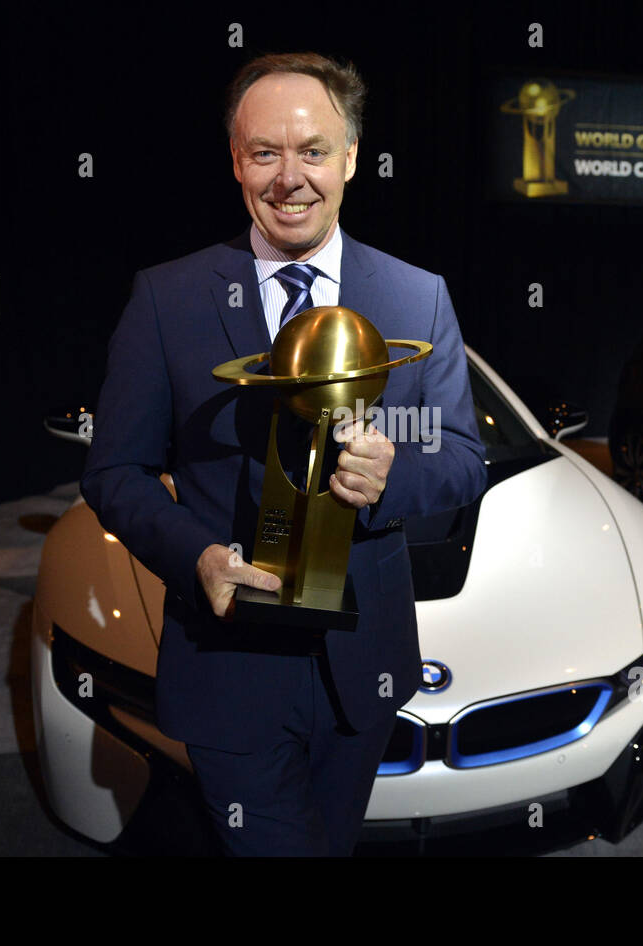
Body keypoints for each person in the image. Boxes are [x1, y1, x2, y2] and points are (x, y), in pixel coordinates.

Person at [80, 51, 486, 856]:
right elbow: (113, 472)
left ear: (352, 158)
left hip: (360, 672)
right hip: (226, 664)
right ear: (236, 161)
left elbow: (465, 457)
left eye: (313, 150)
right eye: (265, 152)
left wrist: (393, 476)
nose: (289, 177)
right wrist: (193, 555)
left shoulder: (417, 295)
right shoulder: (167, 299)